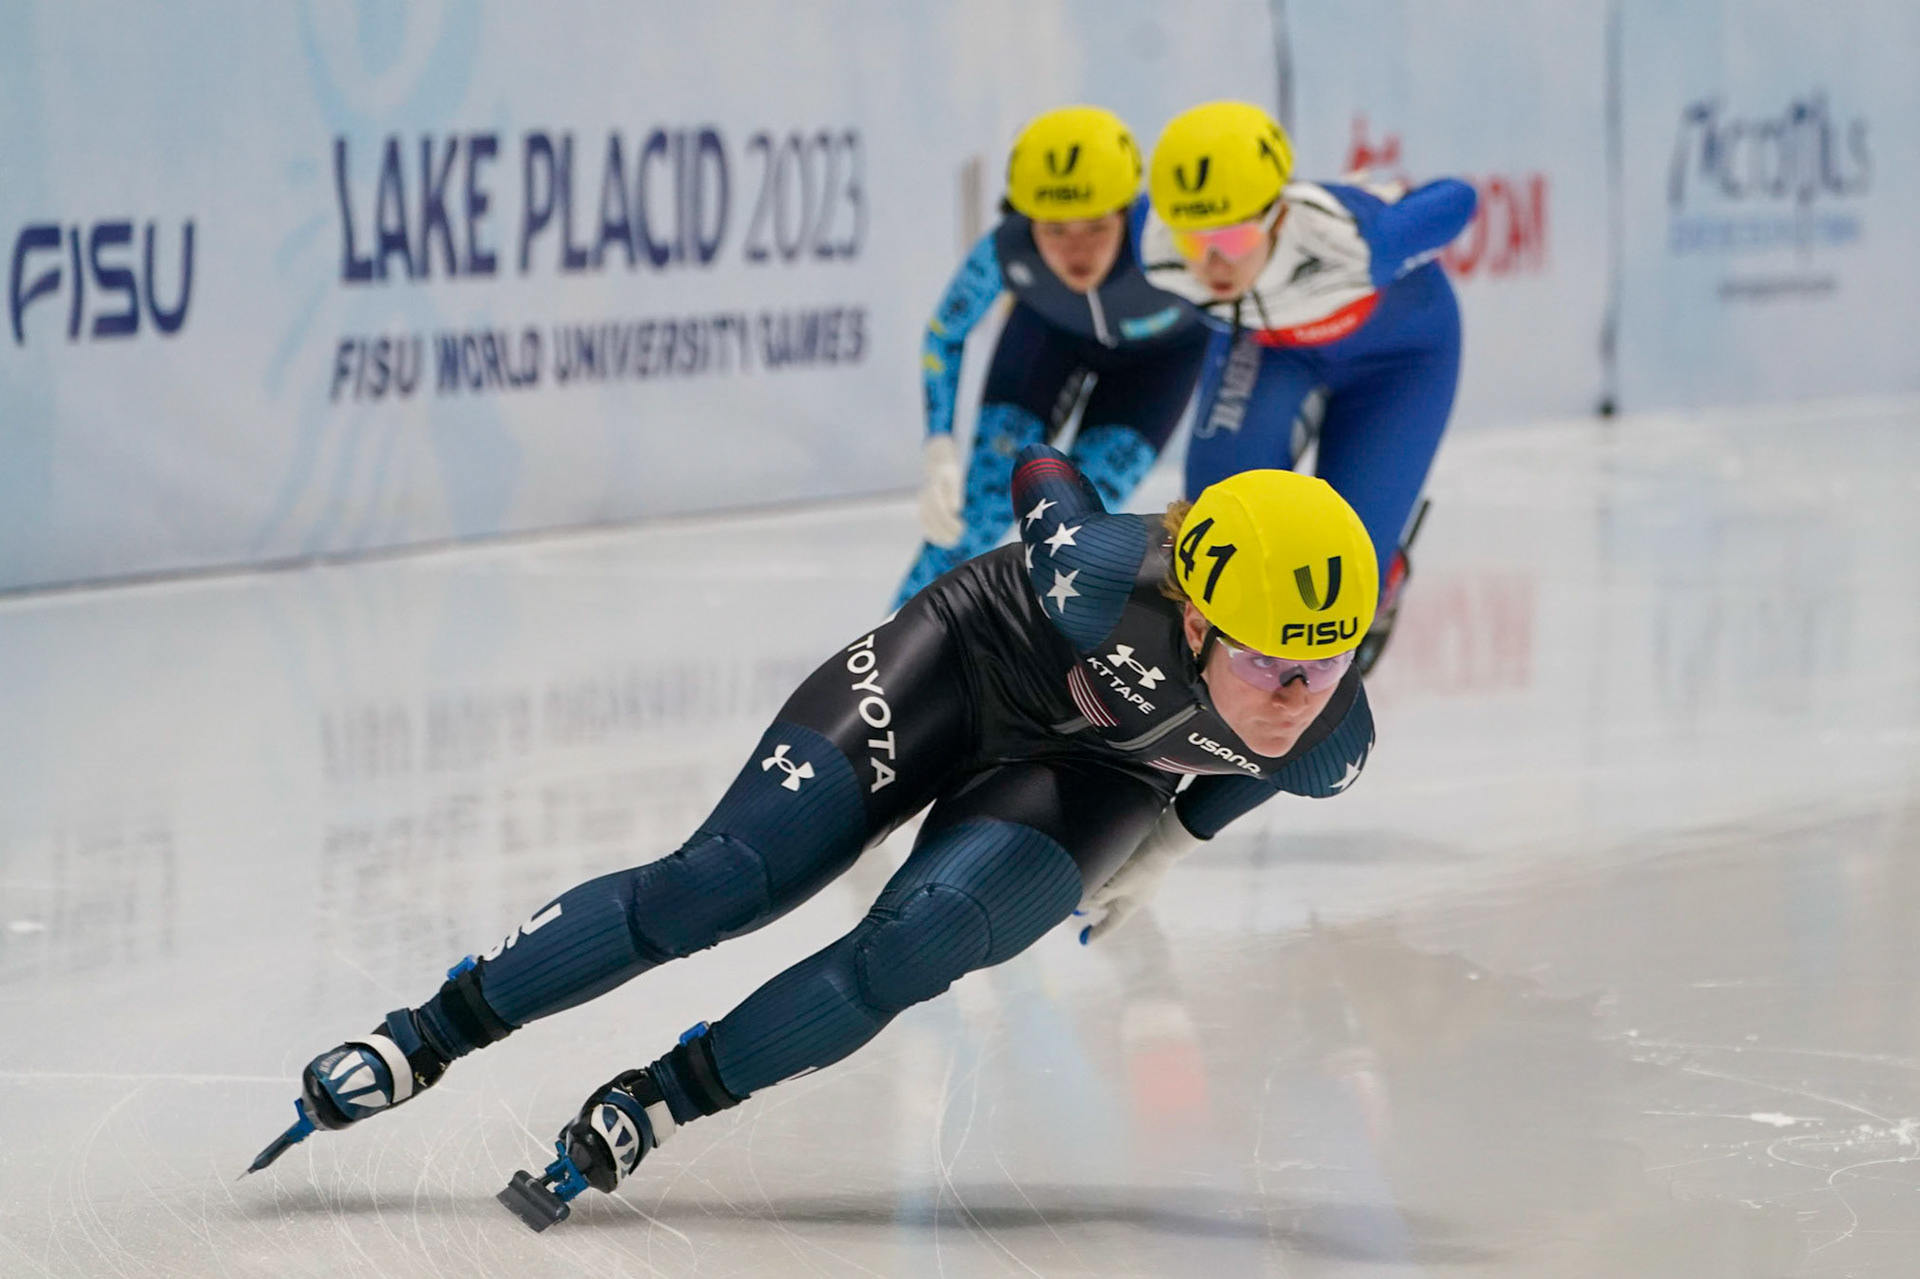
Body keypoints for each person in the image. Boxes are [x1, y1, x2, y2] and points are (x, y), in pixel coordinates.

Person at [249, 444, 1379, 1231]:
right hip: (965, 658)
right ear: (1192, 613)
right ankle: (429, 1032)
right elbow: (1043, 469)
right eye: (1275, 662)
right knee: (722, 882)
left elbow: (1253, 770)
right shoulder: (1093, 577)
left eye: (1325, 666)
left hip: (1095, 772)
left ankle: (662, 1097)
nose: (1297, 694)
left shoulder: (1325, 736)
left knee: (915, 946)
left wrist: (1170, 844)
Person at [1140, 101, 1477, 672]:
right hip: (1270, 352)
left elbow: (1460, 198)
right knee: (1212, 529)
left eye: (1235, 239)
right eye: (1195, 243)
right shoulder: (1150, 241)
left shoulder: (1352, 245)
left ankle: (1384, 573)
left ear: (1277, 217)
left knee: (1352, 573)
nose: (1216, 263)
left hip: (1401, 360)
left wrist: (1393, 206)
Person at [894, 105, 1209, 608]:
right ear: (1025, 218)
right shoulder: (1007, 249)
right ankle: (885, 656)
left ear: (1128, 211)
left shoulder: (1174, 241)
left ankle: (1043, 672)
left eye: (1095, 228)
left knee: (1075, 530)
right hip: (1047, 340)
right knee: (970, 517)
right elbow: (942, 335)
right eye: (1054, 230)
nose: (1075, 251)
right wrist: (940, 450)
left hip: (1157, 366)